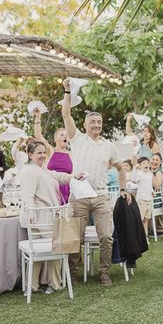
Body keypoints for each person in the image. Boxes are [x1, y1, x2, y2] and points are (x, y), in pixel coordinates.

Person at [61, 78, 130, 286]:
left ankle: (104, 272)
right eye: (93, 122)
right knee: (76, 238)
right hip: (79, 196)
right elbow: (66, 113)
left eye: (99, 123)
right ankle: (73, 272)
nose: (97, 125)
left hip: (101, 197)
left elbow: (121, 169)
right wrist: (66, 91)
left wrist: (123, 188)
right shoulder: (77, 139)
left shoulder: (109, 146)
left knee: (107, 237)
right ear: (85, 125)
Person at [19, 141, 80, 295]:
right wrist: (31, 213)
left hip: (45, 214)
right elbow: (27, 195)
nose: (42, 155)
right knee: (55, 248)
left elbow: (57, 176)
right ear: (30, 155)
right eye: (38, 153)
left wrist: (73, 177)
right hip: (40, 215)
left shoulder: (43, 169)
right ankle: (54, 283)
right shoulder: (30, 171)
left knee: (41, 252)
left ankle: (33, 286)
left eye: (44, 152)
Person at [34, 110, 74, 203]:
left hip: (67, 190)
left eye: (67, 135)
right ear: (56, 138)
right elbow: (38, 136)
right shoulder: (50, 151)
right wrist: (38, 118)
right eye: (62, 135)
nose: (65, 137)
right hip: (50, 189)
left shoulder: (71, 155)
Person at [131, 157, 154, 236]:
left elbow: (149, 185)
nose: (146, 165)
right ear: (140, 166)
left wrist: (152, 191)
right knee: (140, 219)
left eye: (147, 163)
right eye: (143, 163)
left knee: (146, 219)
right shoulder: (139, 174)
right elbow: (133, 179)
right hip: (141, 200)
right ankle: (138, 236)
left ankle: (145, 236)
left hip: (149, 200)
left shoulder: (150, 174)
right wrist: (134, 168)